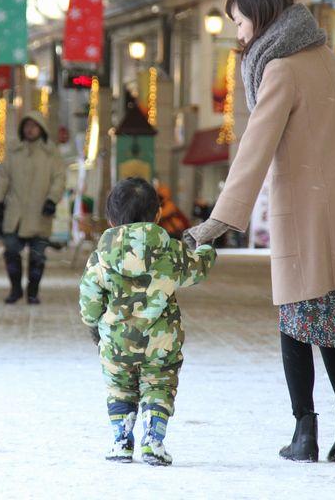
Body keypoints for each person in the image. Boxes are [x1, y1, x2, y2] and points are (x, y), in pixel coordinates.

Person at [184, 0, 335, 463]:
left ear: (260, 13)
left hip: (307, 213)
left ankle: (305, 433)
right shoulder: (331, 62)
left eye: (239, 22)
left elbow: (254, 150)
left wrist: (217, 222)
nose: (239, 35)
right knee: (334, 321)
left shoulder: (280, 68)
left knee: (295, 322)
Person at [79, 178, 217, 466]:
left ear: (111, 218)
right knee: (159, 385)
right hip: (161, 342)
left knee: (120, 388)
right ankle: (154, 441)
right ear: (156, 215)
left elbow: (89, 297)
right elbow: (197, 269)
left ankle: (121, 442)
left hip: (116, 342)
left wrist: (94, 323)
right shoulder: (169, 250)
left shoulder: (101, 256)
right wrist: (205, 248)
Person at [0, 111, 65, 304]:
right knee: (12, 252)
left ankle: (32, 292)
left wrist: (52, 199)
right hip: (16, 213)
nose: (30, 129)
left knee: (37, 257)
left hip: (40, 212)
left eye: (34, 126)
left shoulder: (51, 154)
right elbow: (3, 179)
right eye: (27, 125)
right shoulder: (13, 152)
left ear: (41, 128)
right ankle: (15, 289)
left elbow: (59, 179)